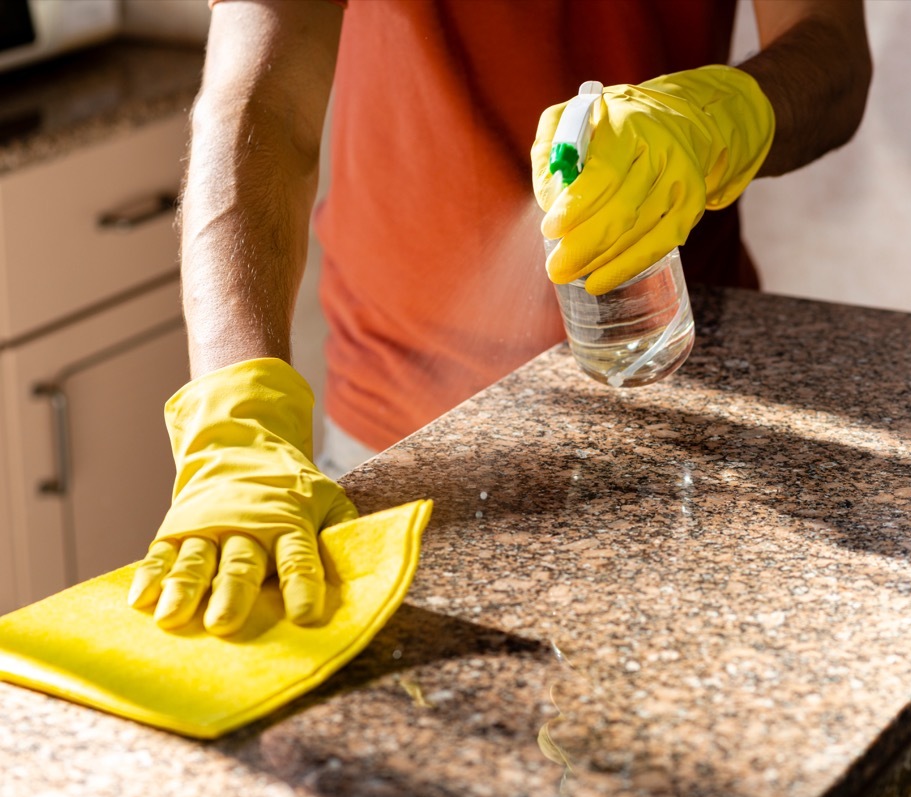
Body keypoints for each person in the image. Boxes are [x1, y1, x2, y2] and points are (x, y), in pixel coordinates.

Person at [126, 0, 872, 636]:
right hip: (405, 436)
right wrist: (237, 418)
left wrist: (711, 121)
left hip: (690, 397)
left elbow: (831, 48)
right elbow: (259, 101)